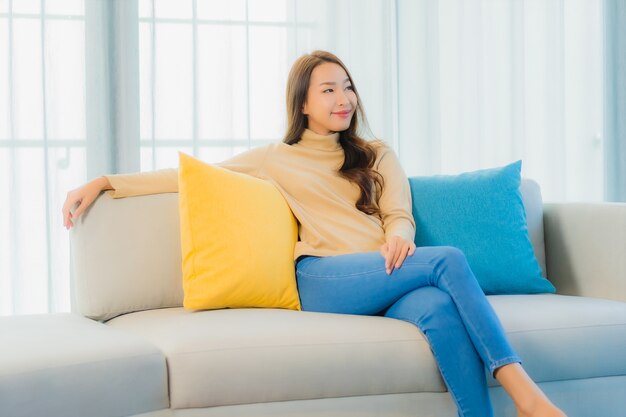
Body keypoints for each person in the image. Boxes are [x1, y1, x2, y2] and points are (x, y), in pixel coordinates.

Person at [62, 50, 567, 417]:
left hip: (384, 271)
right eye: (328, 89)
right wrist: (107, 181)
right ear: (302, 103)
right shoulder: (275, 158)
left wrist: (400, 234)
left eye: (347, 86)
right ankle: (527, 397)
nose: (344, 97)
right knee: (449, 260)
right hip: (323, 279)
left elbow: (398, 211)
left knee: (437, 309)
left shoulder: (375, 152)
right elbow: (190, 176)